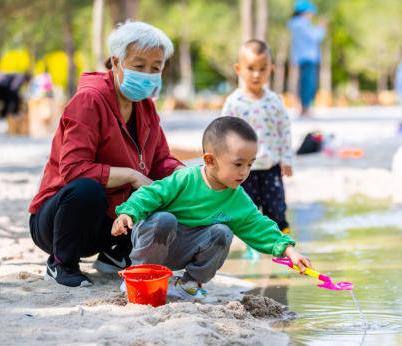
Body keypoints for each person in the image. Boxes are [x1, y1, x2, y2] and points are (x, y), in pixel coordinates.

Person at [28, 21, 183, 287]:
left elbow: (159, 161)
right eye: (139, 65)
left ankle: (115, 255)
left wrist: (183, 174)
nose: (148, 73)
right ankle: (61, 263)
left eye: (155, 67)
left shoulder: (145, 107)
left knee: (169, 187)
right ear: (116, 61)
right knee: (88, 189)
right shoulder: (89, 100)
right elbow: (73, 169)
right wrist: (132, 176)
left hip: (109, 223)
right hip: (59, 221)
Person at [112, 116, 312, 301]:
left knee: (223, 232)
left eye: (250, 165)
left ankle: (188, 284)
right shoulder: (186, 178)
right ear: (210, 160)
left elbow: (258, 225)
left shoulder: (237, 198)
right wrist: (128, 212)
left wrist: (289, 251)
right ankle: (140, 274)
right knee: (165, 219)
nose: (244, 172)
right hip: (155, 240)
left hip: (187, 248)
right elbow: (152, 193)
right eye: (238, 164)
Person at [221, 39, 293, 260]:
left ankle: (282, 244)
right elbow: (223, 132)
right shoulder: (234, 102)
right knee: (247, 208)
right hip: (244, 169)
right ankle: (252, 244)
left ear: (270, 70)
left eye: (262, 69)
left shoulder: (274, 101)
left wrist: (286, 158)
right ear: (238, 69)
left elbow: (284, 130)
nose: (256, 74)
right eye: (250, 68)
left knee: (276, 207)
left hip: (270, 166)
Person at [287, 0, 326, 116]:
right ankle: (305, 107)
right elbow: (315, 37)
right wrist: (321, 27)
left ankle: (305, 106)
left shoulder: (297, 24)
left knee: (305, 82)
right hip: (307, 57)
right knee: (308, 83)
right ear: (304, 12)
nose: (311, 15)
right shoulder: (301, 24)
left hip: (302, 57)